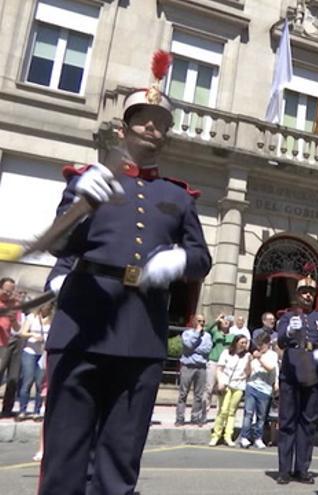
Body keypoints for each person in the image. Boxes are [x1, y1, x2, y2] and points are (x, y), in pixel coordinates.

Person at [38, 52, 212, 494]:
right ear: (124, 127)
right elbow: (58, 245)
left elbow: (202, 257)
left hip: (141, 334)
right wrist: (78, 206)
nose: (152, 127)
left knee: (120, 460)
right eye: (143, 119)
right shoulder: (88, 180)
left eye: (160, 122)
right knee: (65, 458)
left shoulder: (179, 197)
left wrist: (180, 262)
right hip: (84, 325)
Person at [276, 267, 318, 484]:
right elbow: (281, 340)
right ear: (298, 295)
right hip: (291, 374)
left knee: (308, 423)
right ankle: (284, 470)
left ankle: (302, 468)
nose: (308, 295)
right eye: (304, 292)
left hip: (313, 375)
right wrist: (288, 332)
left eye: (311, 292)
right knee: (287, 422)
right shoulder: (287, 317)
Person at [239, 332, 278, 449]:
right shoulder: (254, 355)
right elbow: (247, 372)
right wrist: (249, 361)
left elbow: (270, 367)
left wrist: (259, 357)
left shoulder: (272, 355)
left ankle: (258, 438)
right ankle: (244, 437)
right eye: (258, 345)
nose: (259, 348)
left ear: (267, 344)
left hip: (265, 389)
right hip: (252, 386)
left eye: (262, 345)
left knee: (261, 417)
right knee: (248, 413)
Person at [209, 334, 250, 446]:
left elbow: (248, 370)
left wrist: (245, 373)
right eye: (242, 342)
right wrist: (221, 381)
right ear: (236, 342)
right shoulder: (226, 353)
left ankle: (228, 436)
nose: (244, 345)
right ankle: (216, 435)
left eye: (245, 343)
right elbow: (219, 369)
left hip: (239, 386)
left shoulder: (247, 355)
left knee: (232, 412)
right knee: (223, 410)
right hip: (226, 384)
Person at [17, 302, 52, 420]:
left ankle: (37, 411)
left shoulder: (53, 319)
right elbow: (22, 333)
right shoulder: (32, 317)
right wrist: (33, 335)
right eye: (44, 305)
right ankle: (22, 410)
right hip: (30, 352)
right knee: (27, 380)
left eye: (48, 306)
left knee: (40, 383)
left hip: (43, 353)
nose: (45, 308)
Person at [176, 314, 213, 426]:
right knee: (183, 394)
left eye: (203, 321)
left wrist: (194, 348)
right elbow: (188, 344)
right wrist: (197, 334)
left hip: (201, 367)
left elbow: (207, 349)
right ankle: (180, 418)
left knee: (199, 395)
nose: (201, 323)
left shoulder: (207, 336)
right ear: (193, 322)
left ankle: (195, 417)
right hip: (188, 366)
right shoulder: (187, 333)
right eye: (199, 321)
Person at [205, 313, 235, 417]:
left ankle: (220, 414)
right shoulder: (215, 332)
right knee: (209, 388)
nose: (225, 322)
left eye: (228, 321)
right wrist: (216, 320)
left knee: (222, 389)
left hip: (225, 364)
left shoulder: (232, 336)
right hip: (214, 361)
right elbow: (206, 329)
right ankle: (204, 412)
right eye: (224, 321)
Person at [0, 277, 22, 418]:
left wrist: (13, 318)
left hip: (10, 341)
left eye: (11, 290)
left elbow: (17, 327)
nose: (9, 293)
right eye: (6, 290)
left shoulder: (14, 304)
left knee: (13, 377)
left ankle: (7, 409)